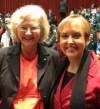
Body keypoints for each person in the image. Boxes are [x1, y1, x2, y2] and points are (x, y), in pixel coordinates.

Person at [0, 5, 60, 109]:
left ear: (41, 30)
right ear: (16, 30)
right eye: (23, 27)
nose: (28, 33)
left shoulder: (53, 57)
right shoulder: (2, 56)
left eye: (33, 28)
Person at [47, 14, 100, 109]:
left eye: (76, 36)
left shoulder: (98, 73)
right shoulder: (57, 67)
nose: (70, 41)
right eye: (65, 36)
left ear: (87, 39)